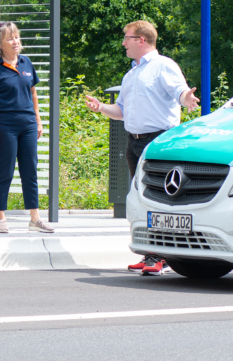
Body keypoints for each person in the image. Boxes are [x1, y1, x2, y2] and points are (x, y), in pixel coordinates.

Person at [83, 20, 199, 276]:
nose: (123, 43)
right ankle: (151, 255)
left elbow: (179, 91)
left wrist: (187, 98)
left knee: (159, 199)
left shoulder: (163, 66)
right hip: (134, 142)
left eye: (127, 38)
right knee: (143, 199)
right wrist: (101, 107)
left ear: (141, 40)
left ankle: (160, 257)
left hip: (158, 141)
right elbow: (121, 111)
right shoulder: (131, 74)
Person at [0, 22, 54, 234]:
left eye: (16, 37)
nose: (15, 41)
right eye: (10, 38)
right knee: (5, 170)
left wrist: (38, 121)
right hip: (5, 126)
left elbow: (33, 94)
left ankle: (35, 218)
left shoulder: (26, 63)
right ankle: (1, 218)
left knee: (30, 170)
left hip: (28, 125)